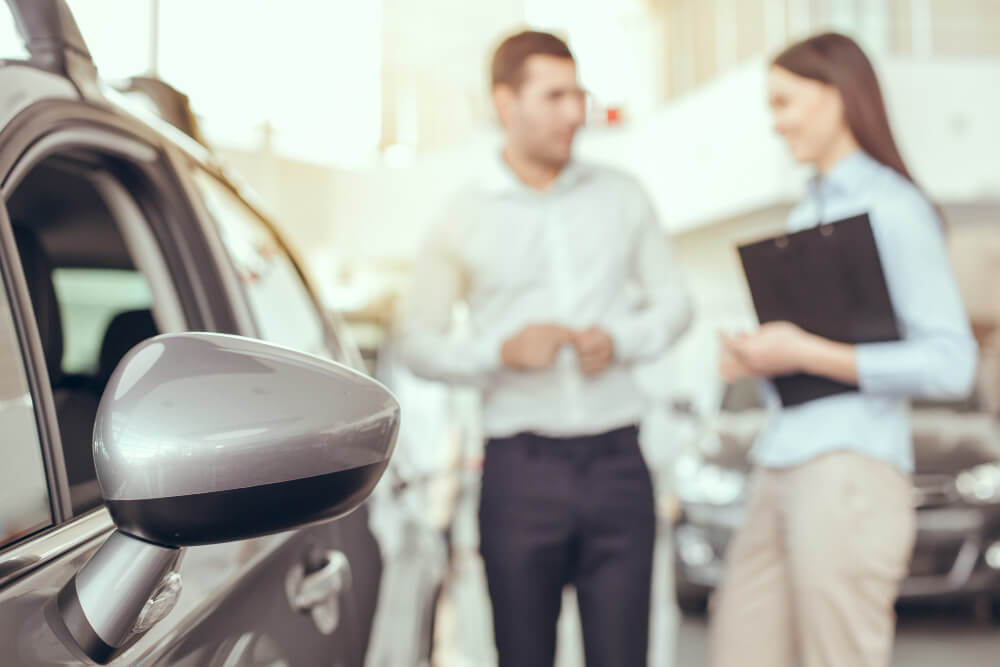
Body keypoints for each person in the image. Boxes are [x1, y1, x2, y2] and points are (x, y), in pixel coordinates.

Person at [398, 30, 692, 667]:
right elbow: (414, 343)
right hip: (518, 471)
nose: (574, 111)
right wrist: (498, 353)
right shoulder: (461, 213)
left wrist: (623, 339)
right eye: (554, 95)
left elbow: (676, 305)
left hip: (619, 464)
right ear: (506, 103)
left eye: (578, 93)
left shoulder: (623, 196)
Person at [707, 32, 977, 667]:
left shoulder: (894, 208)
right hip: (778, 463)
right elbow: (808, 352)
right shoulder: (807, 210)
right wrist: (756, 359)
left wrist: (804, 351)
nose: (775, 125)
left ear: (835, 98)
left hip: (849, 471)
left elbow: (951, 362)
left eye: (784, 103)